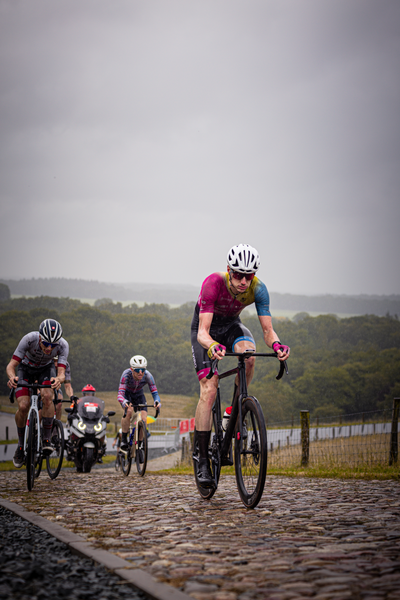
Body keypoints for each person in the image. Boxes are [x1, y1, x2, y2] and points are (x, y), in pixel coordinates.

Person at [191, 243, 290, 486]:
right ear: (228, 270)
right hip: (206, 331)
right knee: (210, 389)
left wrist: (277, 345)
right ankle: (202, 458)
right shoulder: (213, 283)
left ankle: (236, 410)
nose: (244, 281)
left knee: (250, 357)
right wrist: (212, 345)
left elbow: (268, 331)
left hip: (232, 326)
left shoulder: (259, 289)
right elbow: (203, 332)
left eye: (249, 275)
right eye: (238, 274)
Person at [6, 319, 69, 468]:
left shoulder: (63, 345)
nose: (49, 348)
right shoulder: (29, 339)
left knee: (48, 397)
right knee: (23, 406)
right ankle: (21, 446)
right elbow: (11, 366)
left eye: (53, 346)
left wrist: (58, 380)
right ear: (40, 337)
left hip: (45, 370)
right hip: (25, 369)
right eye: (46, 344)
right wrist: (12, 377)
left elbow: (61, 373)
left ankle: (46, 439)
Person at [117, 355, 161, 450]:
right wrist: (124, 402)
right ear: (132, 369)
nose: (140, 373)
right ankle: (124, 438)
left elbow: (155, 393)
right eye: (137, 370)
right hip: (127, 395)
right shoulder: (126, 375)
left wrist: (157, 402)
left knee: (144, 420)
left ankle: (140, 445)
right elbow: (120, 394)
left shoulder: (148, 376)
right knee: (129, 411)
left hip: (139, 395)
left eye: (143, 370)